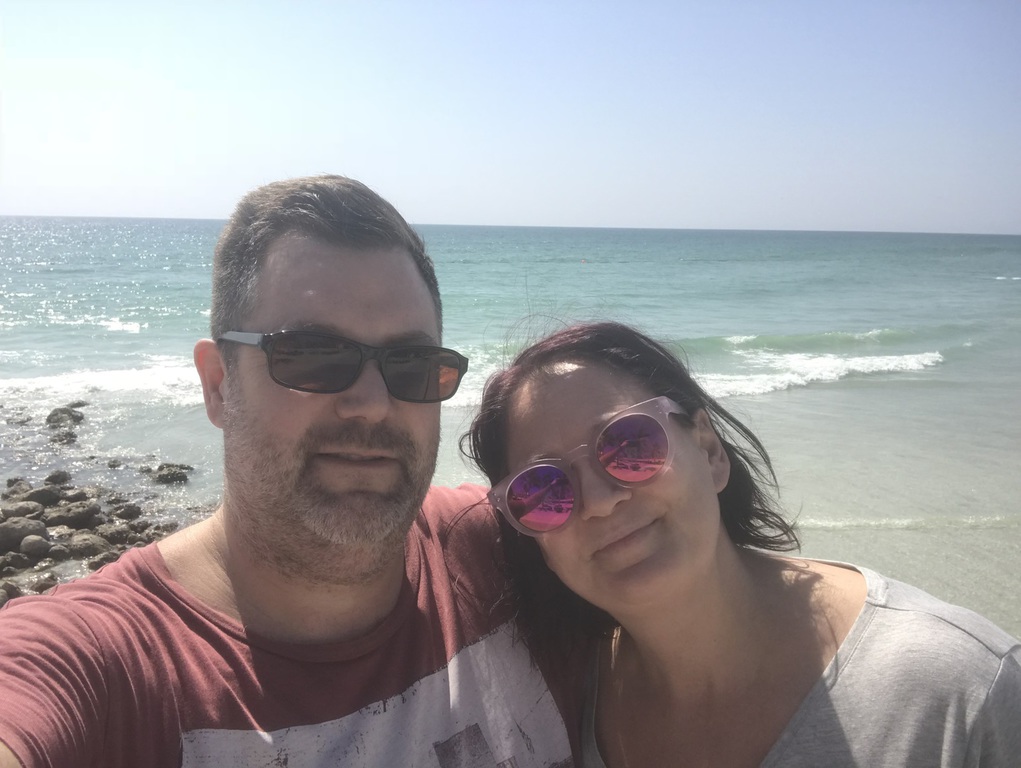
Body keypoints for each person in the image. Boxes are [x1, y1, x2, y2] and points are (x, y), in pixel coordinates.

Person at [0, 176, 574, 767]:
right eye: (312, 355)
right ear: (219, 384)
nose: (372, 404)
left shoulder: (499, 547)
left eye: (412, 364)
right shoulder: (99, 664)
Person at [462, 320, 1021, 767]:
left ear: (709, 452)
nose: (601, 501)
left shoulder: (956, 687)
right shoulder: (564, 699)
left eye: (629, 444)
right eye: (544, 489)